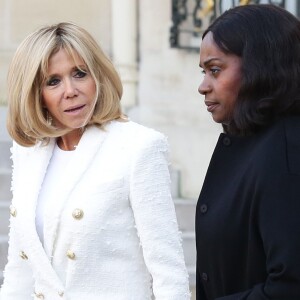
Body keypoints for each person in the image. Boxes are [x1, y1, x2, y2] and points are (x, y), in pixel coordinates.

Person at [0, 22, 191, 300]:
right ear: (35, 95)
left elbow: (167, 271)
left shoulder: (138, 147)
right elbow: (20, 265)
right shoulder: (29, 151)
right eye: (53, 81)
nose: (70, 90)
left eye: (79, 74)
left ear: (97, 77)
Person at [196, 4, 300, 300]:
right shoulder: (250, 141)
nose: (203, 86)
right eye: (203, 72)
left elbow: (290, 286)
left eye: (215, 70)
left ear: (261, 66)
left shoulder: (287, 151)